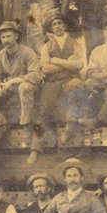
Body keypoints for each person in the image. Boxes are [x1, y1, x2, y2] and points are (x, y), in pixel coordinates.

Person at [27, 15, 86, 164]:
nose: (58, 26)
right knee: (43, 111)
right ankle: (35, 149)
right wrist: (67, 63)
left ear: (65, 26)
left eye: (60, 23)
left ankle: (69, 130)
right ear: (51, 28)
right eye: (54, 24)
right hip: (52, 83)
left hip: (70, 80)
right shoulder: (46, 47)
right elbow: (45, 68)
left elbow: (79, 64)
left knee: (75, 92)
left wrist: (56, 61)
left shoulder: (76, 43)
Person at [0, 20, 42, 132]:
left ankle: (26, 124)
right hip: (8, 88)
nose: (5, 40)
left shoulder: (27, 52)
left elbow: (36, 75)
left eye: (8, 36)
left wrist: (13, 82)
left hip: (27, 87)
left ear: (16, 36)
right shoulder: (0, 55)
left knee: (24, 87)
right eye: (3, 37)